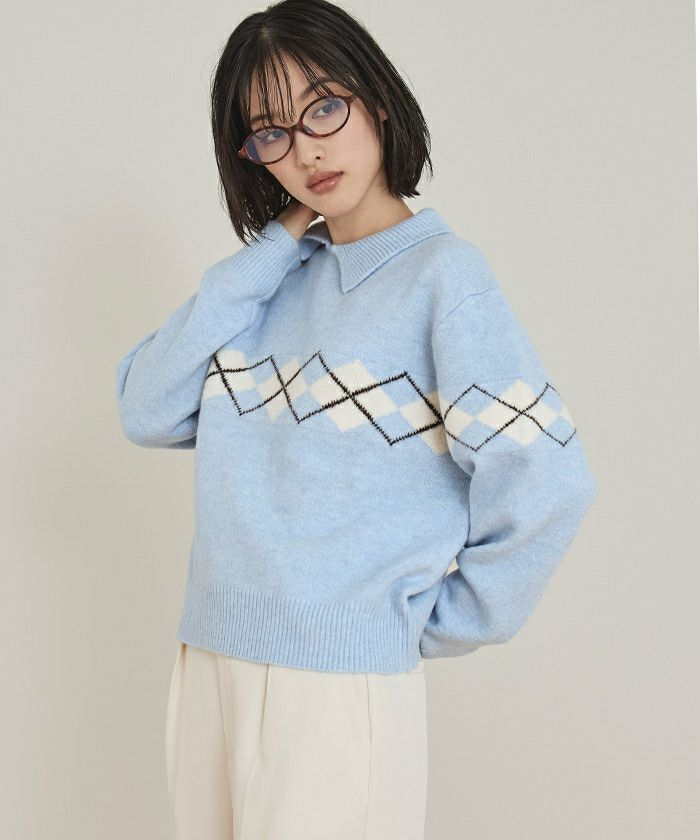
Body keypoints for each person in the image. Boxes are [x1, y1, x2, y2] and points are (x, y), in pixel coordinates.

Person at [115, 1, 598, 838]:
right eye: (271, 132)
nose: (306, 149)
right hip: (212, 659)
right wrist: (272, 249)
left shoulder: (445, 279)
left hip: (336, 684)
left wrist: (421, 622)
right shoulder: (270, 285)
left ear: (376, 99)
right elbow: (145, 408)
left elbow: (549, 479)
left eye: (324, 108)